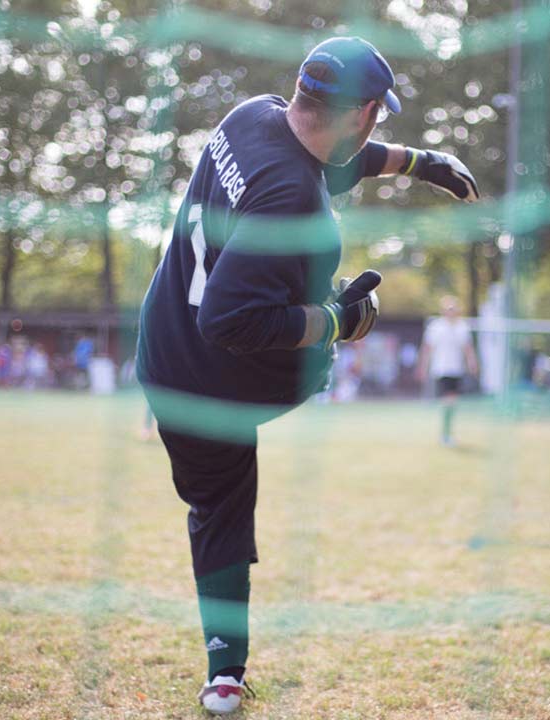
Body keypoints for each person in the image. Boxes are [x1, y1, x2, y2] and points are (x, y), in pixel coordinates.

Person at [135, 36, 478, 715]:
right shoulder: (294, 201)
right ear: (364, 112)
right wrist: (336, 324)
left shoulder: (251, 116)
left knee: (216, 510)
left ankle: (224, 668)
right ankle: (224, 673)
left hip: (160, 348)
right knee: (227, 507)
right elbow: (229, 321)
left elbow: (329, 164)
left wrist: (421, 162)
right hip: (217, 380)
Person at [417, 295, 479, 446]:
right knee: (449, 401)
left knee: (452, 402)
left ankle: (446, 433)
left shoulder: (462, 327)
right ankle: (445, 435)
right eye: (448, 309)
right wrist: (422, 367)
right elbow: (427, 349)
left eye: (453, 309)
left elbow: (468, 349)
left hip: (456, 370)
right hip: (441, 369)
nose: (451, 312)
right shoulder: (436, 327)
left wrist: (472, 363)